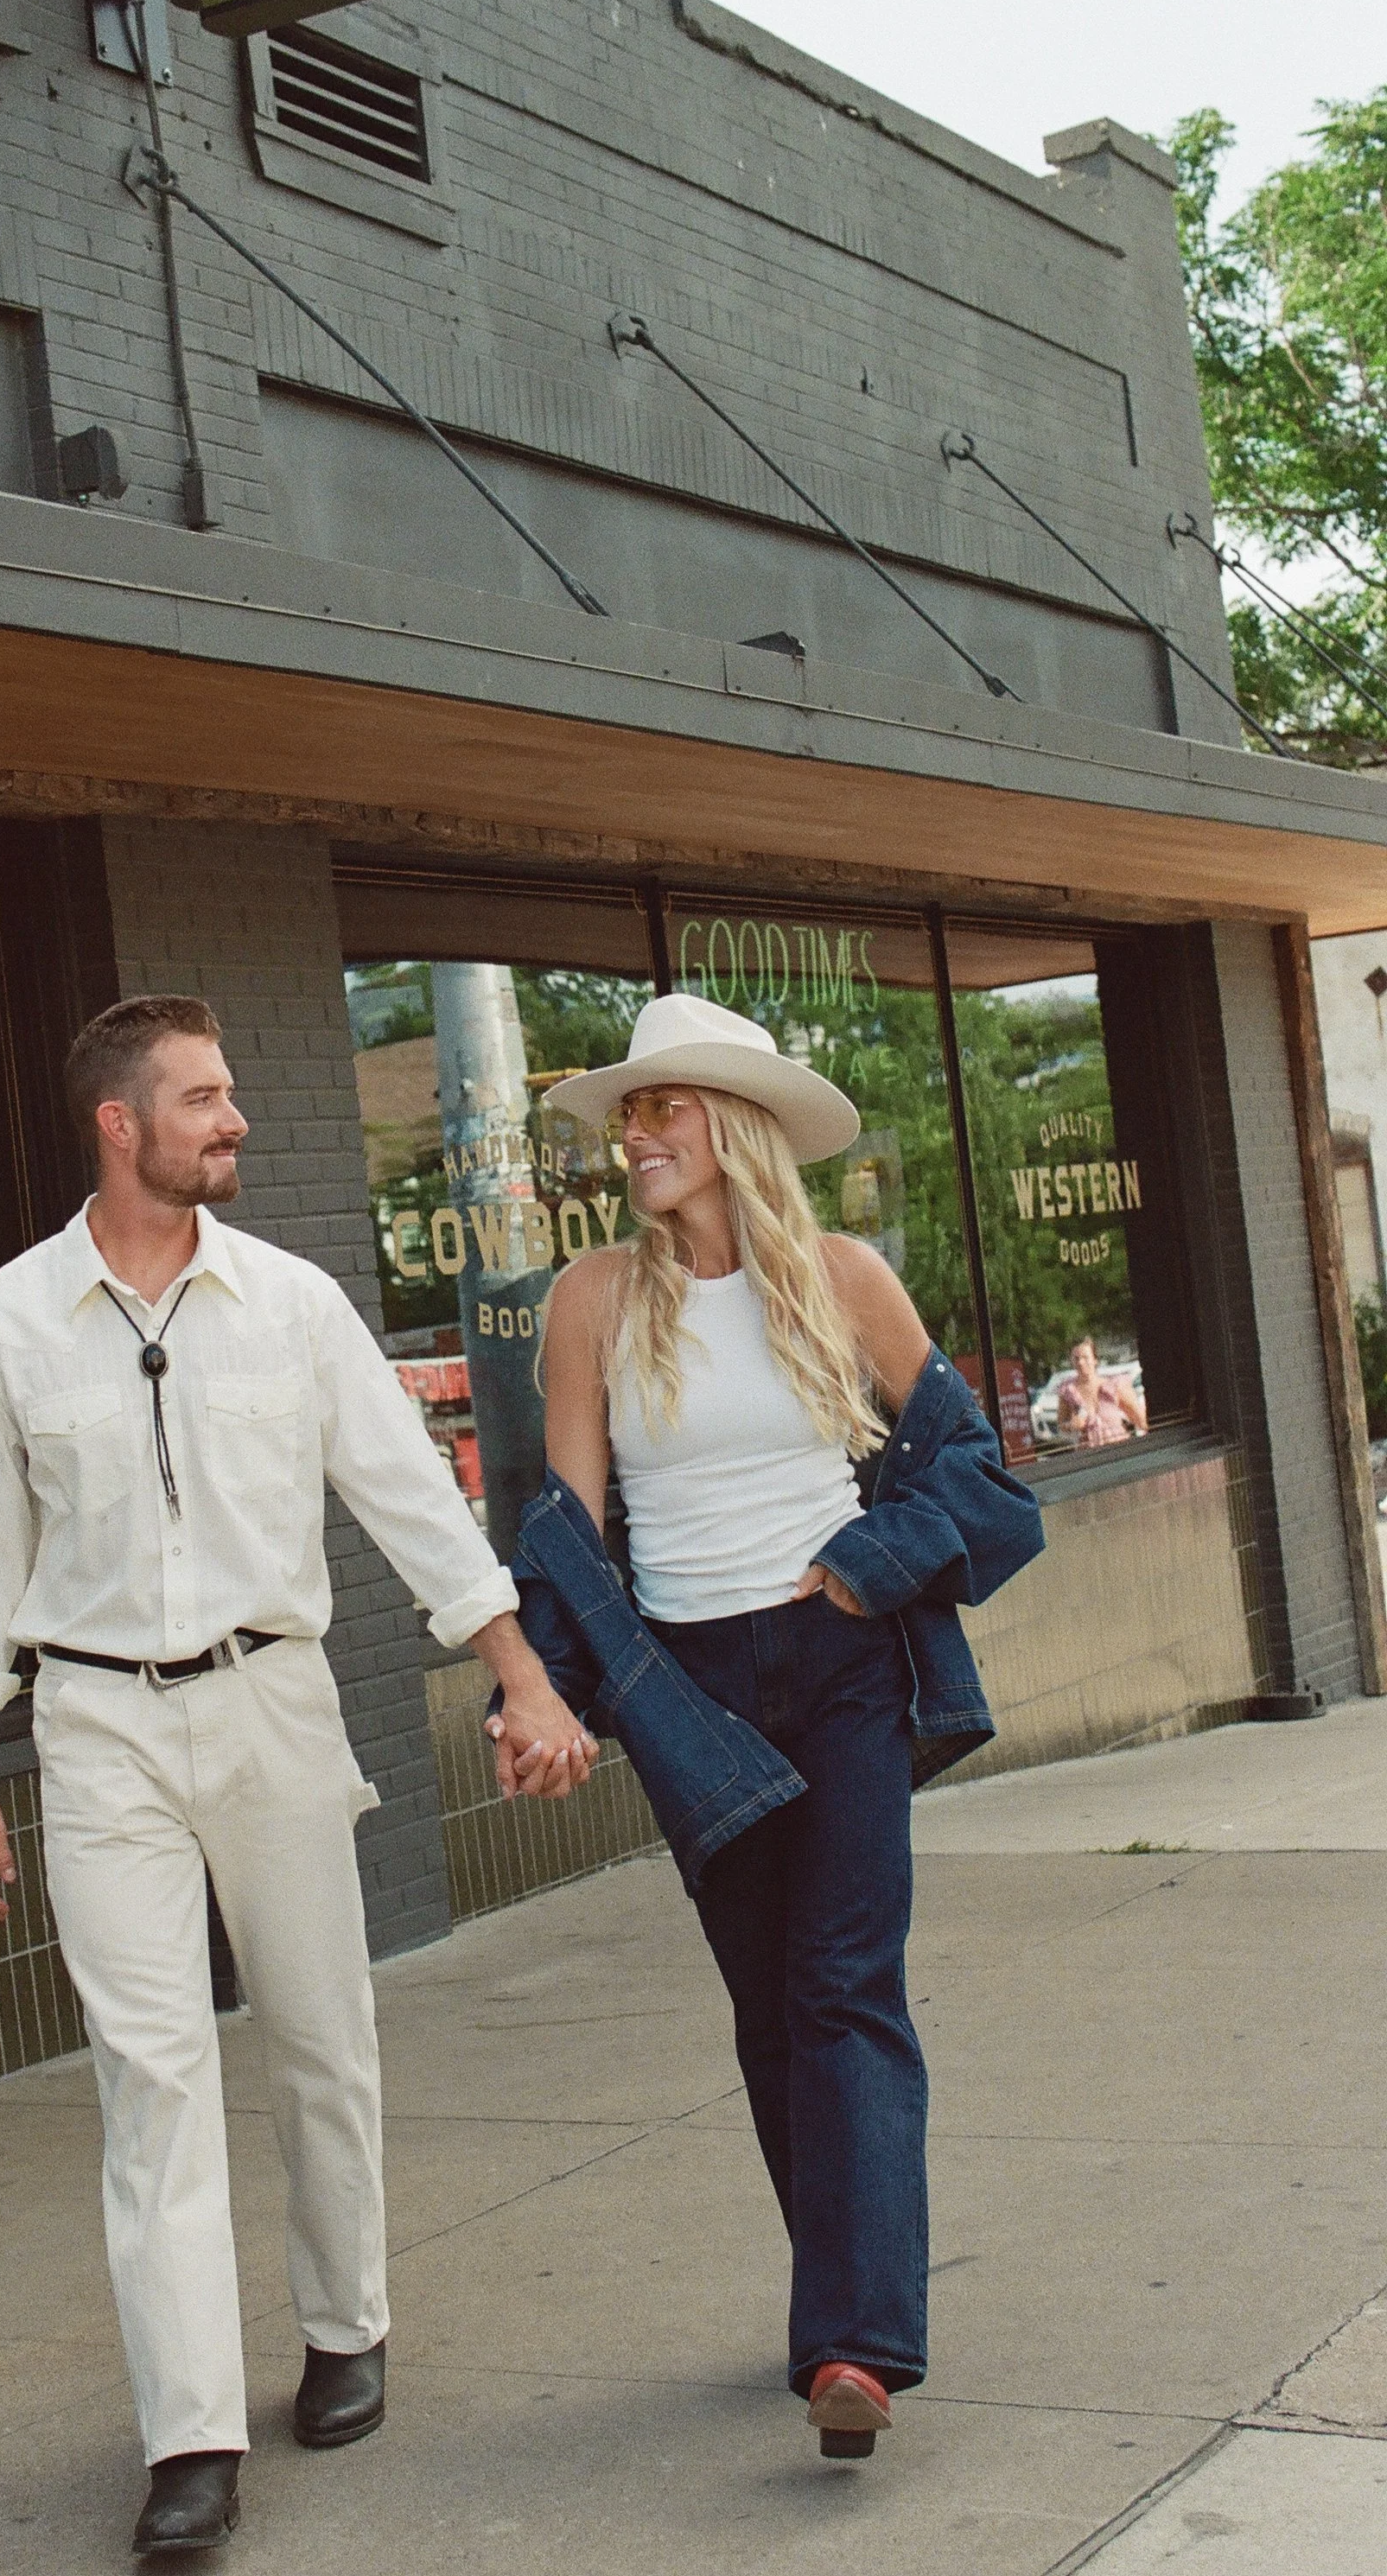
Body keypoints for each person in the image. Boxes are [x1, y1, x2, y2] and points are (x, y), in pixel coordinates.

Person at [0, 995, 594, 2556]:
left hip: (273, 1704)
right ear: (118, 1121)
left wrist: (519, 1667)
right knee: (147, 2079)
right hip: (97, 1733)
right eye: (204, 1097)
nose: (233, 1119)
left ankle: (345, 2319)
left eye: (228, 1092)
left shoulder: (289, 1302)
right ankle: (190, 2434)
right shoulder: (6, 1322)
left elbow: (409, 1501)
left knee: (317, 2035)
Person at [525, 993, 977, 2461]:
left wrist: (865, 1564)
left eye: (662, 1107)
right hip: (692, 1692)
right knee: (771, 2003)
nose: (634, 1134)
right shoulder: (592, 1297)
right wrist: (531, 1690)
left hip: (841, 1662)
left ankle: (854, 2339)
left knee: (843, 1978)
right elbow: (567, 1530)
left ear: (736, 1126)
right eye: (627, 1113)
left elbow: (969, 1467)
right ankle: (838, 2290)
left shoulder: (841, 1277)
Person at [1056, 1336, 1147, 1447]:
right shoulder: (1068, 1391)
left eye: (1085, 1357)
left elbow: (1139, 1420)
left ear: (1095, 1360)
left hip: (1119, 1450)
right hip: (1088, 1455)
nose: (1081, 1362)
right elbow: (1061, 1424)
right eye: (1076, 1358)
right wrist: (1071, 1425)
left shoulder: (1113, 1387)